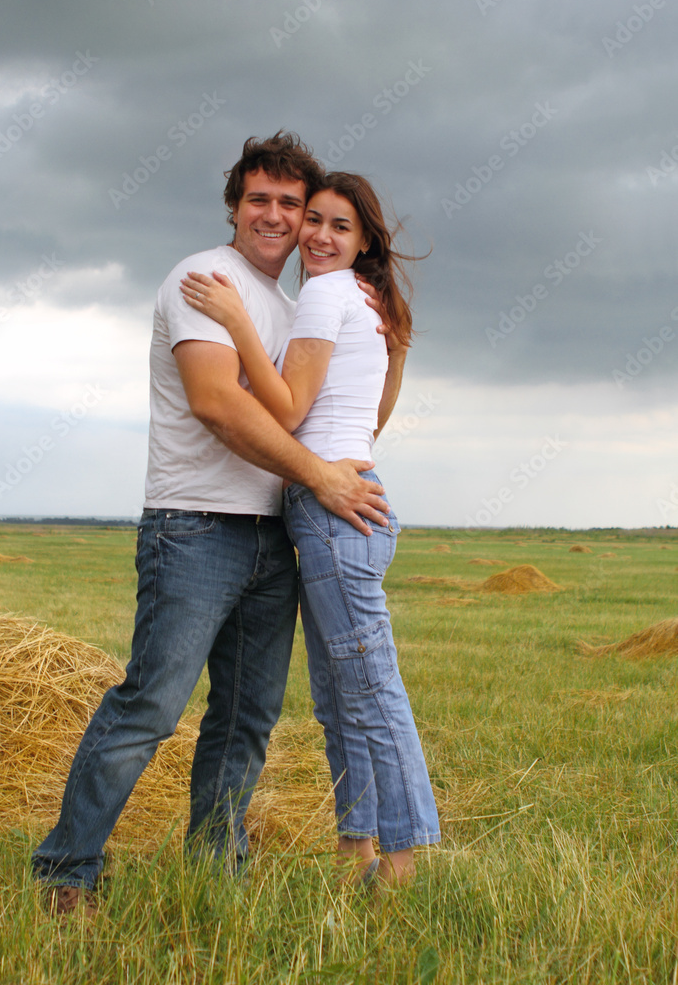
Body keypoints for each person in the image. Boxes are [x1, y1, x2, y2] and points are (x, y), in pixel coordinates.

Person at [31, 134, 392, 916]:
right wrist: (322, 477)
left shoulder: (300, 306)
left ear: (305, 221)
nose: (274, 215)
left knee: (246, 720)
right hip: (195, 527)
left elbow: (331, 405)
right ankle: (66, 874)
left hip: (273, 532)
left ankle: (213, 874)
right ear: (234, 205)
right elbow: (218, 404)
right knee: (151, 707)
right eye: (258, 199)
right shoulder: (204, 280)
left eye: (289, 205)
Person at [180, 171, 440, 887]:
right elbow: (377, 414)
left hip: (334, 513)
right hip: (347, 502)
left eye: (340, 227)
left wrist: (235, 324)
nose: (321, 235)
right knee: (338, 698)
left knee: (370, 691)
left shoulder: (328, 292)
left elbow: (290, 411)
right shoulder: (366, 298)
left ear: (363, 242)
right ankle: (354, 850)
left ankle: (403, 864)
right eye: (314, 220)